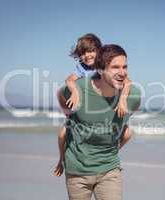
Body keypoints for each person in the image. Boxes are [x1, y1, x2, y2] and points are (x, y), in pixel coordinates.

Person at [58, 44, 141, 200]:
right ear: (101, 70)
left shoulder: (133, 96)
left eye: (125, 67)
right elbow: (61, 94)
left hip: (110, 169)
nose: (122, 72)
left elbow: (130, 112)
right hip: (77, 171)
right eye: (115, 67)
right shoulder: (78, 88)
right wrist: (69, 116)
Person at [54, 34, 132, 177]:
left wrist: (123, 100)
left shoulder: (105, 65)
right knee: (61, 134)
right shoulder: (82, 68)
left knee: (128, 134)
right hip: (83, 113)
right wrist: (75, 93)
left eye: (91, 51)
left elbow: (128, 82)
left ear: (99, 51)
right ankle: (62, 159)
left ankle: (110, 153)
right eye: (83, 53)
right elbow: (69, 80)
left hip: (104, 111)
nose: (87, 55)